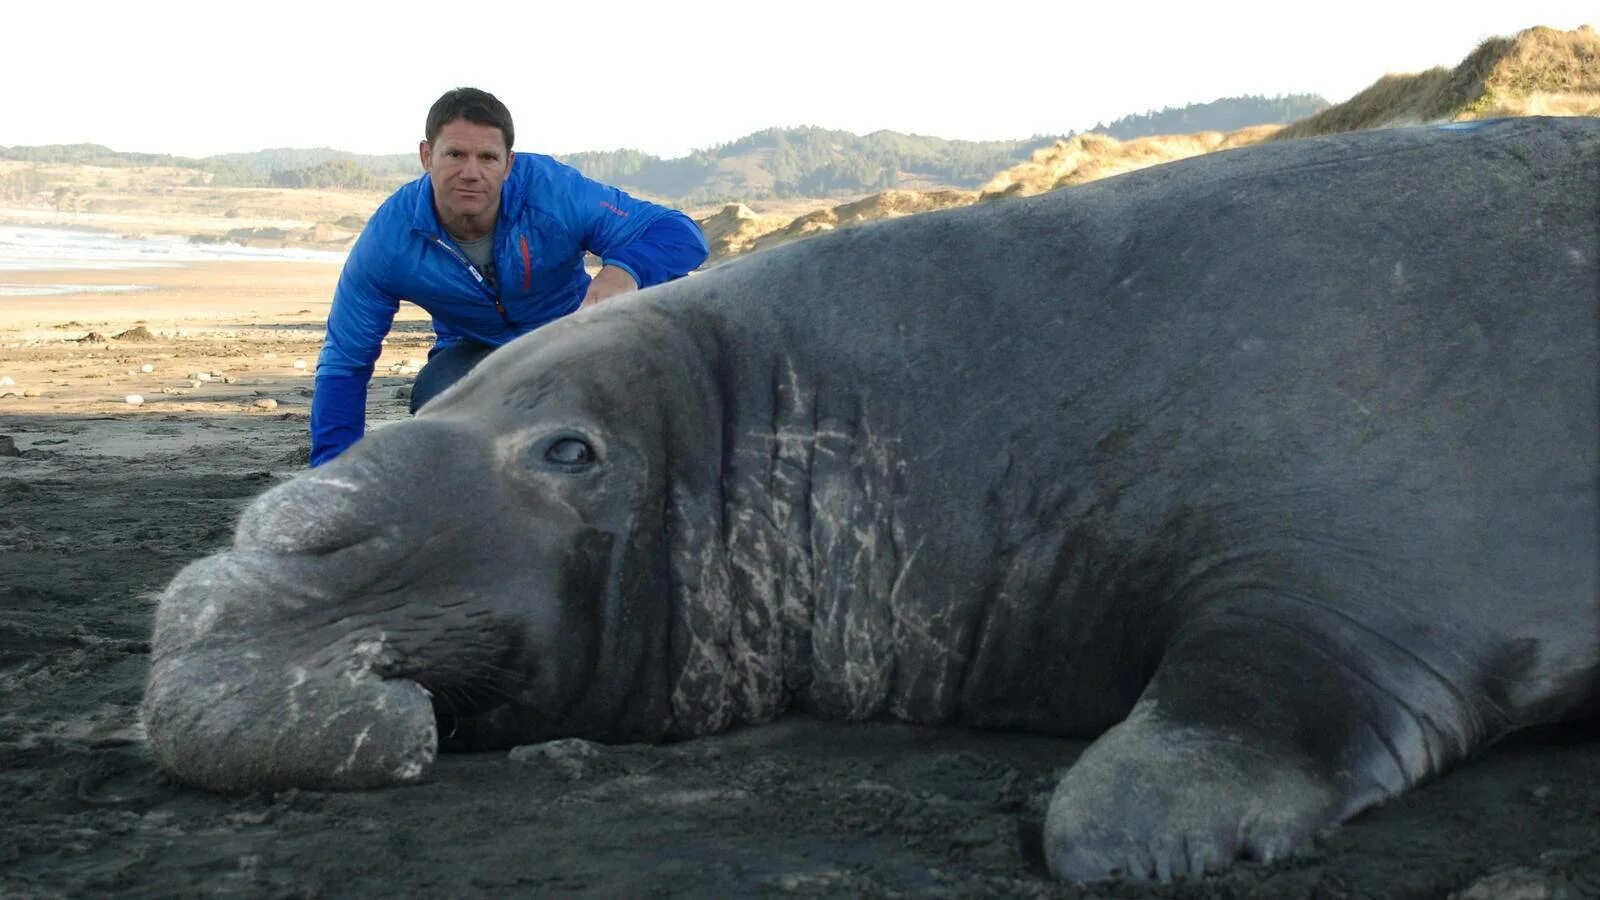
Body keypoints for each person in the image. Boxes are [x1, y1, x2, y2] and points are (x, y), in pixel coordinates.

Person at [309, 87, 708, 467]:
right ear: (426, 155)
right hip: (473, 351)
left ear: (509, 163)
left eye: (487, 157)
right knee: (438, 409)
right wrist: (329, 476)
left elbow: (680, 233)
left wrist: (625, 271)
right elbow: (345, 362)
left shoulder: (554, 193)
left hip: (574, 336)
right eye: (455, 155)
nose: (470, 172)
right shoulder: (390, 241)